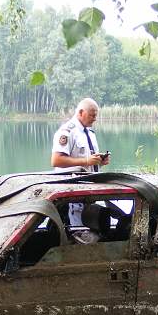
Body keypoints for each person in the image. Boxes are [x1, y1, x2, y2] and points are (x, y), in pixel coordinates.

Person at [51, 98, 110, 243]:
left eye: (96, 115)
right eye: (92, 115)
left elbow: (88, 162)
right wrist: (86, 161)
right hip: (72, 193)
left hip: (89, 191)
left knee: (91, 232)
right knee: (77, 233)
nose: (95, 118)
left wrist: (100, 162)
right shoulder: (67, 132)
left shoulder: (89, 133)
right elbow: (56, 160)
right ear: (81, 112)